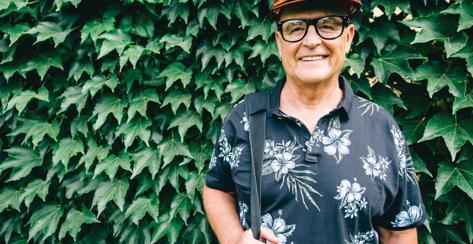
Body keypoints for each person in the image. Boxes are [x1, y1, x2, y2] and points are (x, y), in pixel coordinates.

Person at [203, 0, 427, 243]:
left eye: (328, 25)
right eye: (295, 27)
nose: (311, 41)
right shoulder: (245, 118)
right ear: (280, 42)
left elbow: (399, 231)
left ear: (348, 37)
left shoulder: (380, 126)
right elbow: (217, 188)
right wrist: (234, 238)